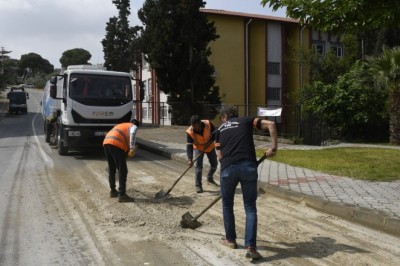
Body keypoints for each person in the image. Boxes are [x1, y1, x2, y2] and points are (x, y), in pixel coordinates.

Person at [215, 105, 277, 260]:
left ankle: (230, 240)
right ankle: (251, 247)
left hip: (228, 169)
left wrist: (226, 168)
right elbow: (271, 124)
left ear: (224, 117)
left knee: (227, 205)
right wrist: (273, 148)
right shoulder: (246, 121)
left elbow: (219, 154)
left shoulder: (219, 129)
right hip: (248, 167)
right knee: (250, 207)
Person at [103, 119, 139, 202]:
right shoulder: (133, 126)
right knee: (123, 170)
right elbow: (133, 133)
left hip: (106, 143)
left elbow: (122, 140)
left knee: (112, 168)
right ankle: (122, 195)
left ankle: (113, 191)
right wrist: (131, 148)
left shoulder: (122, 126)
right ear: (136, 125)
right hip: (115, 144)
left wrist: (126, 154)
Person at [186, 115, 219, 193]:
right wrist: (189, 159)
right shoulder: (190, 131)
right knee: (198, 167)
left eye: (196, 126)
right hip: (199, 148)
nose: (194, 128)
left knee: (214, 164)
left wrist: (210, 141)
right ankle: (198, 185)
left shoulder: (208, 123)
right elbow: (189, 146)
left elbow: (215, 133)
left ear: (199, 123)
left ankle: (209, 177)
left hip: (209, 146)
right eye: (193, 126)